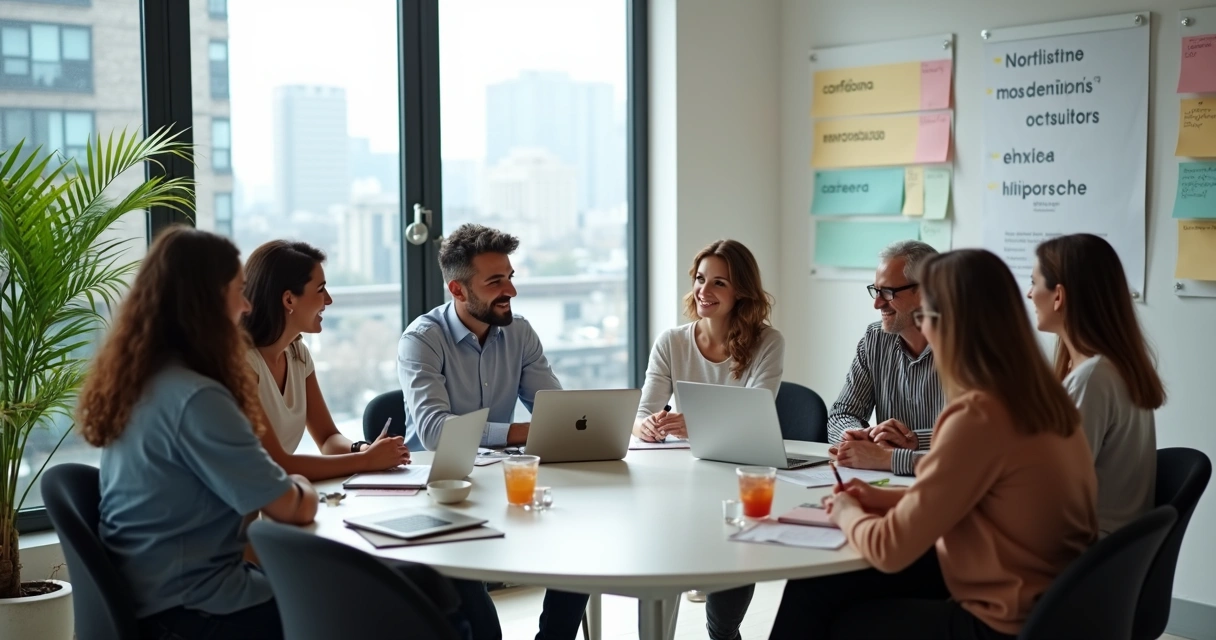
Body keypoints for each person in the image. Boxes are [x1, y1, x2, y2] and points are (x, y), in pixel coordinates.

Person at [769, 249, 1098, 640]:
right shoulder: (1042, 395)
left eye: (926, 318)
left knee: (828, 604)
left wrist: (844, 510)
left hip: (999, 621)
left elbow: (889, 548)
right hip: (1055, 607)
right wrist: (880, 500)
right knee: (823, 590)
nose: (923, 329)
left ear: (951, 324)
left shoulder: (979, 415)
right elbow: (971, 496)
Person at [78, 227, 319, 640]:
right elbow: (291, 508)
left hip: (152, 591)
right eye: (239, 290)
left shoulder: (143, 380)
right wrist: (300, 485)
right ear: (207, 300)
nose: (246, 306)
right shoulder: (198, 397)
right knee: (350, 605)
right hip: (193, 607)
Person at [397, 223, 589, 640]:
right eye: (495, 282)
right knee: (483, 628)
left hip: (500, 484)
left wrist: (570, 426)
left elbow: (553, 411)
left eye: (510, 277)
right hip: (438, 493)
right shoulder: (422, 340)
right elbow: (434, 432)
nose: (511, 291)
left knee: (580, 548)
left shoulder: (519, 332)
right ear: (459, 290)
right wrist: (521, 432)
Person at [633, 239, 783, 639]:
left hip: (738, 477)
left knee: (721, 626)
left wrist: (695, 423)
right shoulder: (672, 341)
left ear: (741, 292)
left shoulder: (767, 343)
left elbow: (754, 415)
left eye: (719, 283)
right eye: (700, 279)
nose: (704, 291)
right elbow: (643, 411)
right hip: (683, 476)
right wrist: (646, 426)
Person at [1029, 233, 1165, 535]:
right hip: (1107, 554)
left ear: (1058, 295)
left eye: (1034, 282)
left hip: (1082, 557)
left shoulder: (1093, 378)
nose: (1029, 294)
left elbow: (1054, 490)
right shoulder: (1111, 368)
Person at [242, 240, 410, 480]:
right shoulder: (243, 364)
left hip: (274, 496)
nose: (328, 300)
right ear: (289, 300)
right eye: (320, 289)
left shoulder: (298, 354)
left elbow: (328, 439)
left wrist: (363, 449)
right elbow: (276, 464)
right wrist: (366, 461)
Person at [826, 240, 944, 476]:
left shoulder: (968, 346)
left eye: (888, 292)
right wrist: (857, 435)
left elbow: (979, 437)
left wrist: (909, 441)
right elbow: (841, 413)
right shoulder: (875, 339)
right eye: (876, 290)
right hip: (889, 480)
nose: (877, 303)